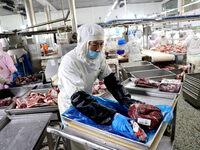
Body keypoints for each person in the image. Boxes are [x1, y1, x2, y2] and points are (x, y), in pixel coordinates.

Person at [58, 23, 140, 149]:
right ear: (84, 43)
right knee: (80, 142)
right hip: (71, 104)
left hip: (88, 100)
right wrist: (111, 116)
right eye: (94, 44)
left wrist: (126, 100)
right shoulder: (69, 62)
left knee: (94, 137)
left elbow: (111, 80)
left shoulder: (99, 57)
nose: (98, 48)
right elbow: (78, 97)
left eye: (101, 44)